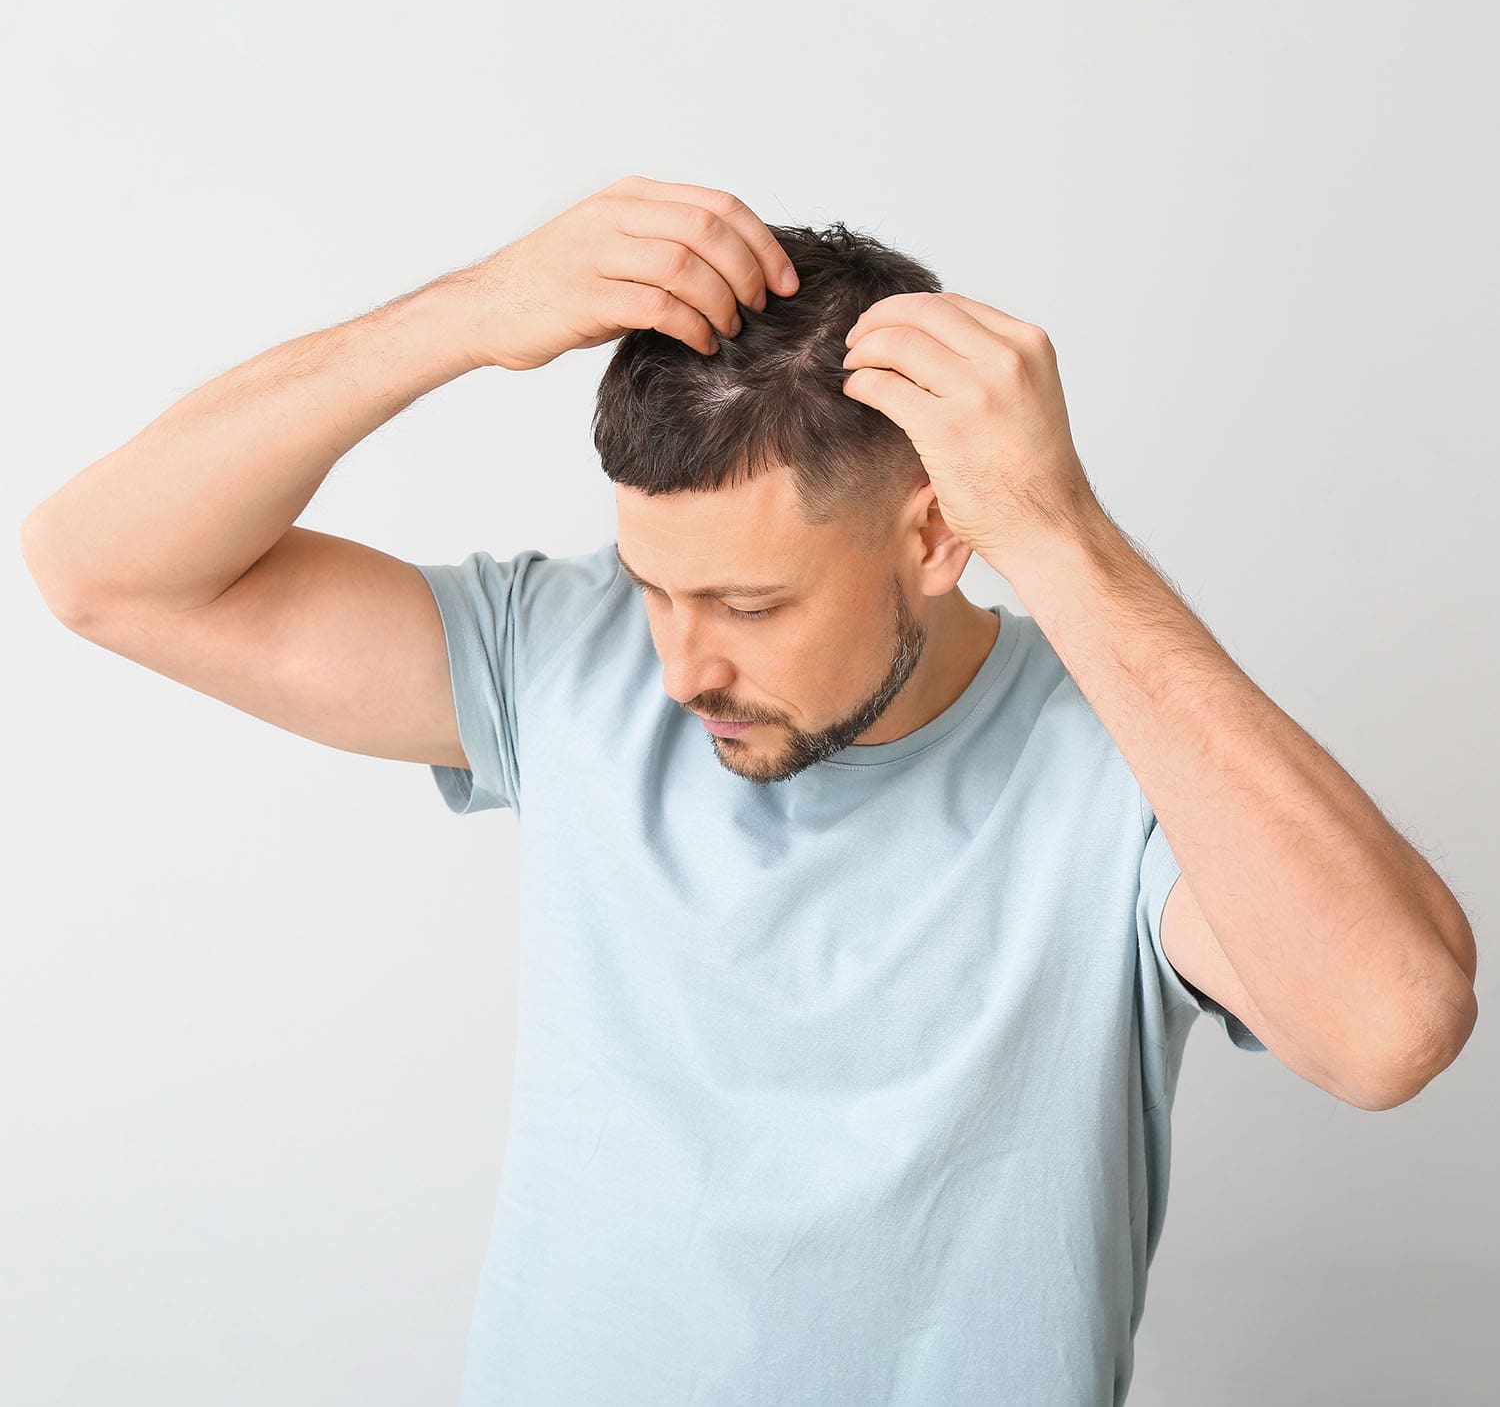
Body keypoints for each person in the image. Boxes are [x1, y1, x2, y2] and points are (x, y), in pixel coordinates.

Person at [20, 174, 1475, 1406]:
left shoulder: (1121, 767)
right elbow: (102, 571)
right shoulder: (567, 654)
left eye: (750, 605)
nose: (679, 666)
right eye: (656, 586)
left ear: (937, 537)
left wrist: (1066, 532)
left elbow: (1392, 1027)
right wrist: (464, 314)